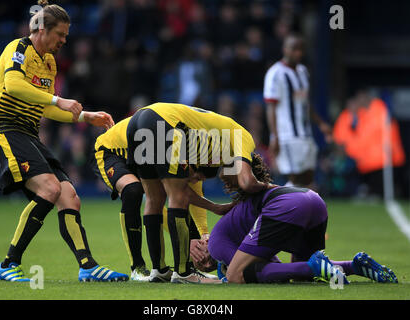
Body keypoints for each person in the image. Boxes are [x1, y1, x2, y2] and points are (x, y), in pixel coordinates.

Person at [0, 0, 128, 282]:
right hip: (6, 131)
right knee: (51, 189)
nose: (64, 41)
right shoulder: (18, 49)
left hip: (28, 134)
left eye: (66, 35)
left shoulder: (49, 62)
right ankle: (8, 263)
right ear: (42, 29)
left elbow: (47, 108)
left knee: (69, 197)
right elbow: (14, 85)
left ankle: (87, 266)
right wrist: (58, 98)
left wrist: (85, 116)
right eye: (60, 34)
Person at [190, 154, 398, 284]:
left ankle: (315, 266)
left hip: (286, 206)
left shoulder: (217, 242)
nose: (204, 261)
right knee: (299, 275)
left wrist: (222, 276)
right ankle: (356, 266)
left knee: (238, 276)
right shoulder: (242, 215)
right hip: (313, 200)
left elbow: (236, 274)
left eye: (200, 259)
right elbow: (275, 267)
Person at [126, 102, 268, 283]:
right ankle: (183, 273)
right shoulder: (244, 139)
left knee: (155, 198)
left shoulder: (211, 143)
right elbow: (247, 182)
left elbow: (187, 186)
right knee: (177, 198)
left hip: (139, 120)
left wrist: (214, 207)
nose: (230, 185)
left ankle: (159, 271)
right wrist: (267, 187)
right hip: (164, 121)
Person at [92, 116, 213, 281]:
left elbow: (193, 189)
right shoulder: (171, 144)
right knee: (133, 191)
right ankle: (138, 268)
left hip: (142, 149)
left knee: (176, 199)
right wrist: (190, 239)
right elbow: (163, 202)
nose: (196, 179)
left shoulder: (189, 146)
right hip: (111, 151)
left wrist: (203, 235)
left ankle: (187, 267)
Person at [264, 33, 332, 188]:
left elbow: (305, 104)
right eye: (294, 49)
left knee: (308, 179)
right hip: (288, 135)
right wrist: (274, 136)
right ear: (285, 49)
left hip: (305, 134)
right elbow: (271, 107)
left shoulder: (302, 71)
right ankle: (282, 209)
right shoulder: (275, 73)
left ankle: (300, 210)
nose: (298, 53)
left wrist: (321, 124)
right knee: (296, 179)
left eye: (301, 49)